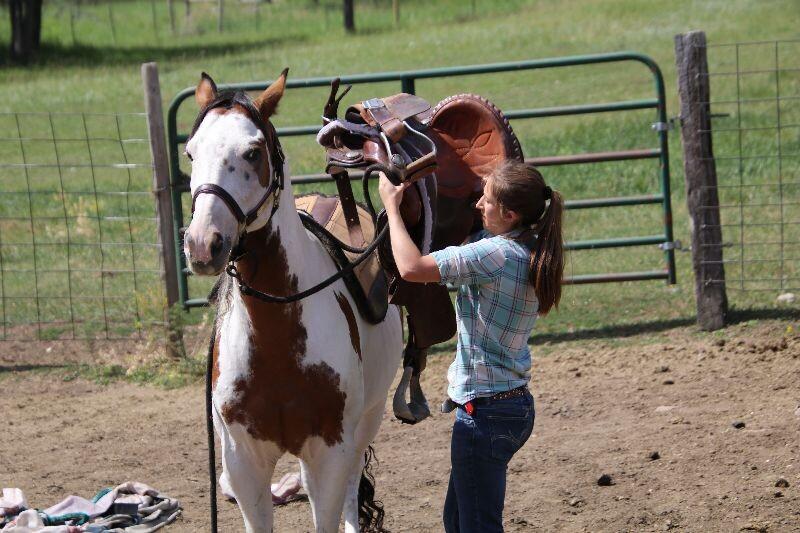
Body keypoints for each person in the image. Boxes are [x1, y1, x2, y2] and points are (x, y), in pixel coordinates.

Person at [378, 159, 565, 533]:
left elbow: (412, 268)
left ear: (510, 215)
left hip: (484, 416)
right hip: (511, 406)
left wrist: (391, 207)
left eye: (488, 200)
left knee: (476, 525)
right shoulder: (528, 246)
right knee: (459, 520)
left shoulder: (493, 256)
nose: (479, 203)